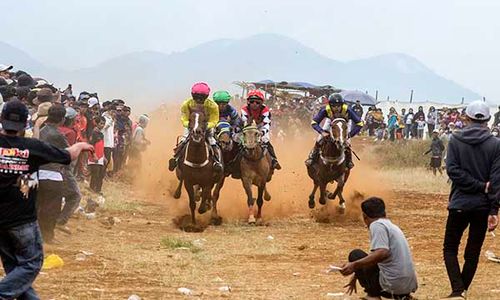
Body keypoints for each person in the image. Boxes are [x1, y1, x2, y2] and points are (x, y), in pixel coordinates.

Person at [0, 100, 92, 299]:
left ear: (1, 119)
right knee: (32, 263)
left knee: (15, 269)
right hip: (22, 220)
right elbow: (68, 155)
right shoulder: (32, 147)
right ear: (26, 123)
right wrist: (81, 145)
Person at [443, 100, 500, 299]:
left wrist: (475, 185)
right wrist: (494, 210)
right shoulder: (496, 144)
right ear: (488, 119)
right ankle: (462, 290)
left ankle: (458, 290)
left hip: (459, 203)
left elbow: (453, 171)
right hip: (483, 207)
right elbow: (496, 180)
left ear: (466, 118)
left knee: (450, 248)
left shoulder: (455, 140)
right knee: (472, 252)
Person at [340, 197, 418, 300]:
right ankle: (402, 296)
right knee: (367, 259)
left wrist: (354, 265)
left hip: (392, 285)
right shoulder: (391, 226)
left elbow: (382, 253)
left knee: (355, 255)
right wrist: (357, 274)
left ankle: (373, 296)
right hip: (406, 285)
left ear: (364, 216)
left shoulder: (376, 225)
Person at [168, 82, 223, 173]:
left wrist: (205, 127)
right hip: (191, 125)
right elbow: (184, 118)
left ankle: (217, 162)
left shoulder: (213, 106)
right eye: (197, 97)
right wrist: (190, 125)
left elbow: (214, 120)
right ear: (192, 95)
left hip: (206, 127)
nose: (199, 99)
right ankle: (176, 158)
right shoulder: (187, 104)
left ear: (206, 96)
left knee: (212, 141)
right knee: (184, 140)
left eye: (201, 98)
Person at [306, 93, 363, 168]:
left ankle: (349, 161)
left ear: (342, 105)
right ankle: (312, 157)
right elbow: (314, 122)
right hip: (330, 122)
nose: (336, 108)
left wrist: (350, 135)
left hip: (344, 123)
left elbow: (360, 123)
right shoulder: (325, 110)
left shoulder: (348, 110)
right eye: (333, 106)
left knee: (347, 142)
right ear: (330, 105)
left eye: (338, 106)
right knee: (319, 139)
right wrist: (322, 132)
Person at [241, 90, 281, 170]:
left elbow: (266, 124)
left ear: (261, 103)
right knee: (238, 140)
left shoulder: (265, 110)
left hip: (261, 127)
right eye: (252, 102)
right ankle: (233, 162)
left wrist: (262, 132)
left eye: (257, 102)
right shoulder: (244, 109)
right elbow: (244, 122)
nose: (254, 104)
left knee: (265, 140)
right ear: (248, 102)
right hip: (248, 127)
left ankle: (273, 160)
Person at [88, 116, 106, 194]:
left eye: (103, 124)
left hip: (101, 157)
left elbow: (101, 146)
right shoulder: (94, 133)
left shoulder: (101, 134)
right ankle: (92, 189)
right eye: (101, 123)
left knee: (101, 174)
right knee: (95, 174)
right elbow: (91, 145)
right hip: (94, 157)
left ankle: (98, 190)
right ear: (97, 124)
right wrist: (94, 155)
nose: (102, 125)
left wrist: (104, 156)